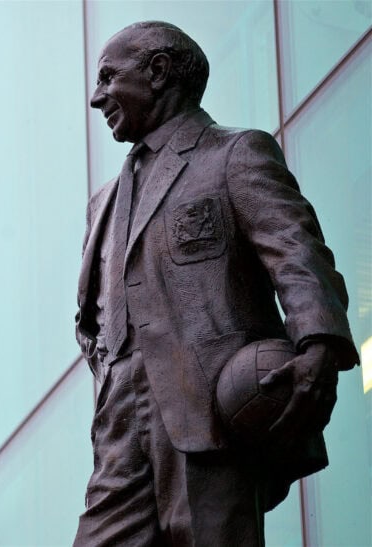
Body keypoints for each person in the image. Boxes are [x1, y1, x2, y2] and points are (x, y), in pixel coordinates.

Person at [74, 21, 358, 546]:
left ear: (158, 72)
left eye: (109, 78)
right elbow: (89, 319)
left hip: (205, 408)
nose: (97, 98)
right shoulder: (102, 205)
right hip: (119, 429)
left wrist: (319, 345)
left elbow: (297, 254)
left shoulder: (233, 154)